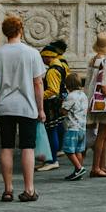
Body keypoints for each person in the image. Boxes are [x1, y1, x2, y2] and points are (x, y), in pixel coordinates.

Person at [0, 14, 47, 203]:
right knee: (27, 147)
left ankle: (8, 189)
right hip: (27, 106)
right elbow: (38, 83)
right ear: (21, 30)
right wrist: (41, 109)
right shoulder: (32, 53)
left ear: (5, 33)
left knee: (7, 147)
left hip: (5, 106)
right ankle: (29, 189)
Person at [85, 33, 106, 178]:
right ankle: (96, 166)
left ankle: (102, 165)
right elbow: (104, 86)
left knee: (104, 133)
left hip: (93, 99)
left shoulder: (93, 61)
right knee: (103, 134)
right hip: (104, 100)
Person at [37, 39, 70, 172]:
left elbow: (52, 90)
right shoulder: (61, 64)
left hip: (51, 103)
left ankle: (52, 160)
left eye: (44, 57)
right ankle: (55, 153)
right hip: (59, 101)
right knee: (56, 128)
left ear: (48, 56)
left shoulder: (52, 71)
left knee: (51, 130)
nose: (43, 60)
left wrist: (38, 96)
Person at [59, 79, 90, 181]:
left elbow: (63, 111)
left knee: (68, 150)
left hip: (72, 127)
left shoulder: (71, 96)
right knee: (78, 151)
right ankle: (78, 172)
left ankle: (79, 168)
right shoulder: (84, 95)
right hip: (82, 128)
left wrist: (61, 103)